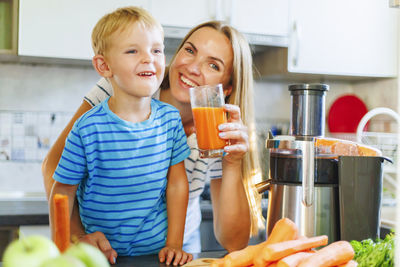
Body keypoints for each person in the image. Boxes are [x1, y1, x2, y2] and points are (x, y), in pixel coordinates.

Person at [42, 17, 263, 262]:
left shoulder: (220, 132)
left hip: (176, 252)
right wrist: (76, 236)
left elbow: (233, 242)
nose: (193, 68)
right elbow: (54, 167)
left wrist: (232, 162)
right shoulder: (122, 87)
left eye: (214, 66)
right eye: (190, 50)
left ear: (227, 88)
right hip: (104, 250)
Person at [48, 6, 193, 266]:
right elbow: (62, 192)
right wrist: (65, 246)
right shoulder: (86, 128)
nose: (149, 58)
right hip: (99, 257)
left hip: (155, 255)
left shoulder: (170, 121)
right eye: (132, 51)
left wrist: (175, 244)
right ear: (104, 66)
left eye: (156, 50)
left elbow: (177, 185)